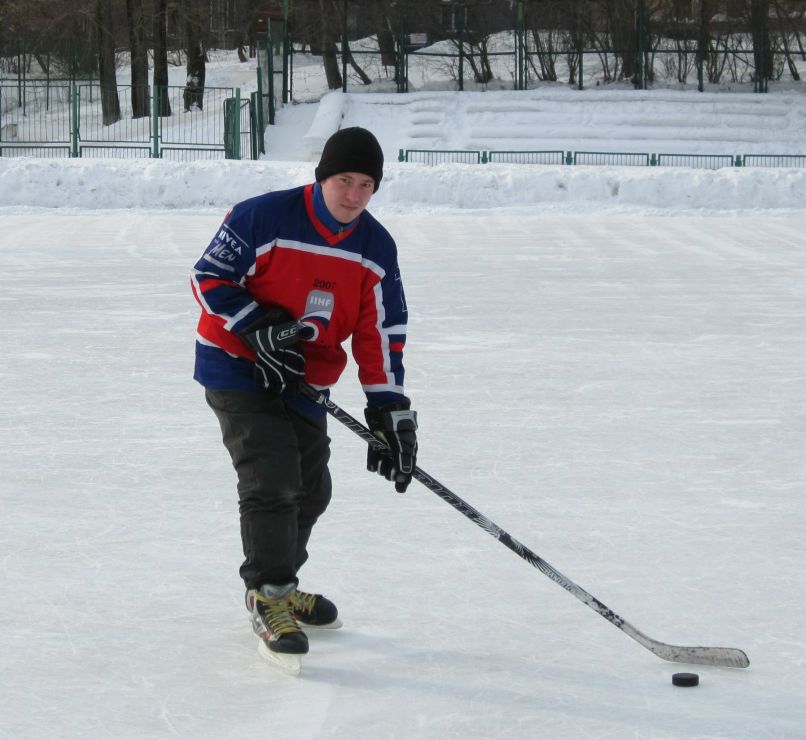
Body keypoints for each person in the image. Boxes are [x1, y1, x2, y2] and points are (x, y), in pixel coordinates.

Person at [190, 126, 418, 671]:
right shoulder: (263, 217)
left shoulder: (375, 248)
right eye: (345, 180)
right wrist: (257, 326)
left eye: (367, 185)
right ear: (322, 177)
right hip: (238, 365)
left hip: (304, 377)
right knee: (272, 477)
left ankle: (283, 585)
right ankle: (266, 595)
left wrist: (389, 408)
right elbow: (209, 277)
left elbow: (381, 332)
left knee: (311, 486)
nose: (354, 195)